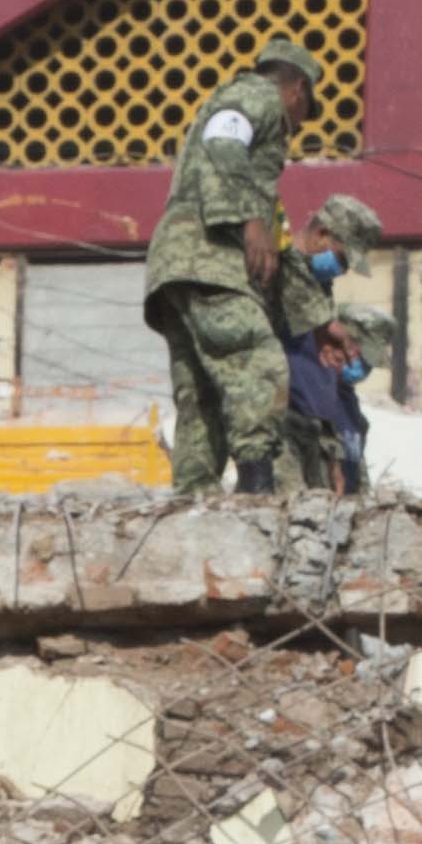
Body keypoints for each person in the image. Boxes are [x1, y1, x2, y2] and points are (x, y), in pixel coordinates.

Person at [144, 30, 317, 497]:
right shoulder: (256, 95)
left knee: (202, 395)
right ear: (297, 89)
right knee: (257, 363)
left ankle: (192, 501)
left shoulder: (244, 103)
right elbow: (224, 138)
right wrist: (248, 220)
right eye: (304, 111)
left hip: (177, 264)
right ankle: (258, 493)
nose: (299, 125)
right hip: (210, 257)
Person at [272, 195, 386, 489]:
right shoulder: (277, 268)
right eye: (343, 259)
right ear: (321, 233)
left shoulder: (320, 288)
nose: (344, 270)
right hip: (281, 427)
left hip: (313, 433)